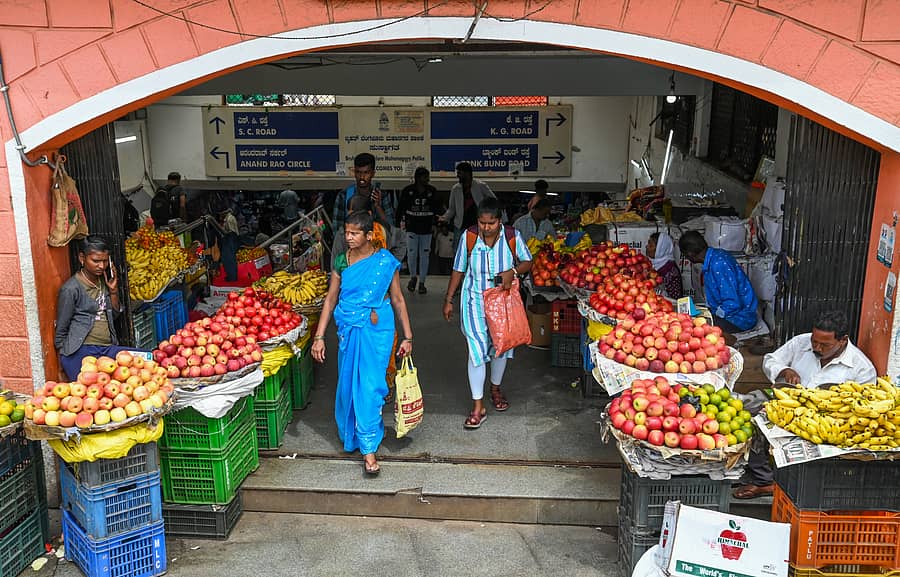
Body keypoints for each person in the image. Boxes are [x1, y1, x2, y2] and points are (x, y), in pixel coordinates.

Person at [311, 210, 414, 476]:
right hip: (348, 328)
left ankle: (369, 449)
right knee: (348, 385)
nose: (349, 237)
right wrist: (319, 336)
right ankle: (354, 434)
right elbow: (331, 300)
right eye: (346, 232)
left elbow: (398, 300)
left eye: (355, 233)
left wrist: (408, 336)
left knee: (369, 387)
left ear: (369, 235)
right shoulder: (342, 262)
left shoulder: (385, 261)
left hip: (377, 330)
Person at [733, 310, 876, 499]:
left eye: (825, 344)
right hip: (784, 403)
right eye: (814, 341)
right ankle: (763, 479)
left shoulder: (862, 369)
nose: (817, 347)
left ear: (843, 340)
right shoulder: (801, 342)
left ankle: (773, 485)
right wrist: (784, 370)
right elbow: (770, 360)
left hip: (823, 420)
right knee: (746, 413)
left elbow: (863, 409)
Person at [443, 198, 533, 429]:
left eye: (491, 223)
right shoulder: (469, 237)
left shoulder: (512, 236)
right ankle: (477, 406)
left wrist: (512, 271)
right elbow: (458, 268)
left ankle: (495, 387)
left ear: (499, 221)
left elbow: (527, 262)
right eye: (482, 223)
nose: (486, 228)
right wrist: (449, 299)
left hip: (502, 302)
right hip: (473, 300)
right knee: (476, 351)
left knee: (501, 347)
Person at [55, 236, 132, 380]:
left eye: (104, 261)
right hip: (82, 350)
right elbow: (61, 328)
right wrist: (62, 364)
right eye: (96, 261)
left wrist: (113, 291)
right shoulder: (71, 289)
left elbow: (114, 314)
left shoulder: (104, 280)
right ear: (82, 258)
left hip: (107, 348)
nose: (101, 266)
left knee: (145, 358)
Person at [678, 230, 758, 333]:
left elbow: (732, 303)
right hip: (726, 312)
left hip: (739, 318)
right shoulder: (715, 255)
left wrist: (711, 317)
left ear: (690, 254)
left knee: (694, 329)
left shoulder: (718, 264)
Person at [397, 167, 439, 294]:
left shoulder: (432, 191)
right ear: (417, 178)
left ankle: (422, 282)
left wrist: (437, 225)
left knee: (424, 255)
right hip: (412, 228)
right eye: (424, 177)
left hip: (426, 229)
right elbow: (400, 209)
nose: (427, 179)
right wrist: (397, 224)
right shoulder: (408, 191)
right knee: (412, 254)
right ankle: (413, 277)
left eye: (427, 177)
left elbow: (437, 209)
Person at [333, 153, 394, 236]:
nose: (362, 177)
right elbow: (337, 230)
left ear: (373, 173)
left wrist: (378, 207)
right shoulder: (343, 196)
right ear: (354, 172)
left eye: (366, 172)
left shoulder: (381, 196)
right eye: (358, 172)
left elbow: (391, 228)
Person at [439, 162, 495, 250]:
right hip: (460, 225)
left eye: (459, 173)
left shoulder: (480, 186)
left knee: (478, 250)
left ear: (467, 173)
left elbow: (493, 201)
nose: (457, 175)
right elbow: (451, 209)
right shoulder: (455, 189)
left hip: (477, 225)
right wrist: (444, 218)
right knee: (458, 250)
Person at [646, 232, 683, 299]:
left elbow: (674, 298)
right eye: (648, 243)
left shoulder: (670, 271)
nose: (647, 247)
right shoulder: (649, 263)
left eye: (651, 245)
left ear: (660, 250)